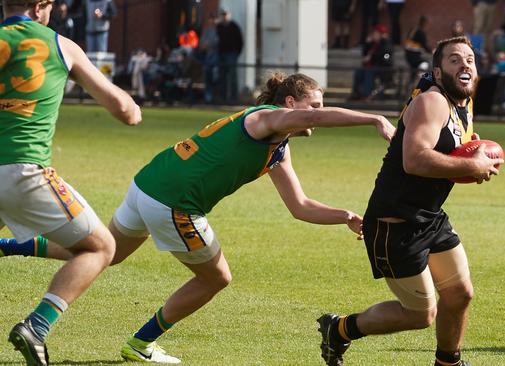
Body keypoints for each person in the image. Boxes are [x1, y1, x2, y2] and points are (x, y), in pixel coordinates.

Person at [1, 72, 396, 363]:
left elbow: (299, 205)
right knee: (217, 277)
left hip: (147, 185)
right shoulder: (265, 119)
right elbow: (315, 122)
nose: (319, 114)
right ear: (289, 104)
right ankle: (141, 343)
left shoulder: (277, 148)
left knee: (106, 252)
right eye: (313, 106)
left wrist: (343, 215)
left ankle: (6, 246)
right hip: (173, 203)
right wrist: (374, 119)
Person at [317, 36, 503, 366]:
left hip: (429, 216)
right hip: (395, 225)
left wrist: (479, 154)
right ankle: (340, 329)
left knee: (460, 294)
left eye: (470, 59)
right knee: (420, 315)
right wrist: (471, 165)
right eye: (455, 60)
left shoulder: (464, 104)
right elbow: (414, 160)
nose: (465, 65)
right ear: (438, 70)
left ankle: (449, 363)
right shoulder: (433, 102)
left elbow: (458, 146)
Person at [0, 1, 141, 365]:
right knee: (102, 248)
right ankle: (37, 327)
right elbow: (124, 111)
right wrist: (133, 106)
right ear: (40, 5)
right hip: (23, 171)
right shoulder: (61, 45)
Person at [216, 8, 243, 104]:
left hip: (232, 54)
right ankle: (222, 98)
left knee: (232, 77)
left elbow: (240, 41)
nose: (224, 16)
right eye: (222, 14)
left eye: (225, 14)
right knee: (222, 77)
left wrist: (236, 53)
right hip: (221, 54)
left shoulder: (234, 26)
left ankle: (233, 99)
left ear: (229, 15)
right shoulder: (218, 26)